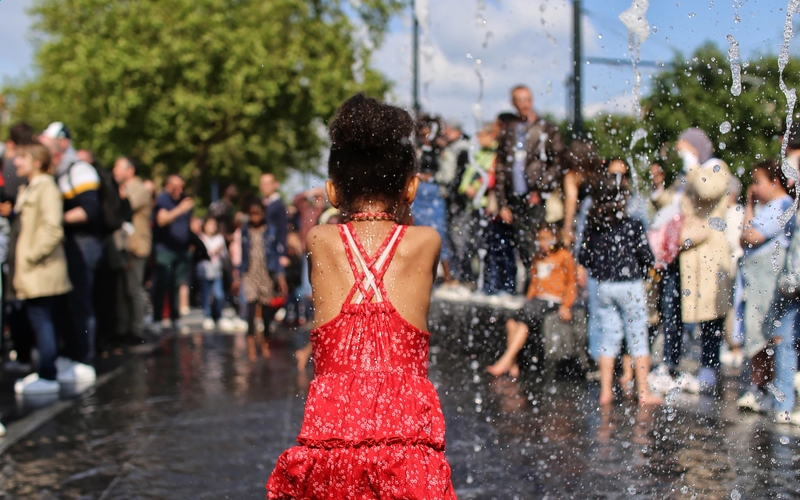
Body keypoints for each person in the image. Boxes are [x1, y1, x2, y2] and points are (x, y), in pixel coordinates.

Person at [267, 94, 456, 499]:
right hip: (406, 449)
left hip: (330, 443)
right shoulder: (426, 241)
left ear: (333, 191)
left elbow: (347, 227)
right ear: (411, 187)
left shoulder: (319, 239)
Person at [579, 167, 662, 406]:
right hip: (629, 285)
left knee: (609, 337)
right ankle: (643, 392)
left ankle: (606, 391)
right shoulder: (632, 225)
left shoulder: (594, 227)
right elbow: (647, 256)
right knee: (637, 337)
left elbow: (585, 258)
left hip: (604, 286)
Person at [39, 122, 102, 384]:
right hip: (71, 244)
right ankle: (72, 354)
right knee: (68, 302)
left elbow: (90, 210)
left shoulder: (79, 169)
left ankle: (84, 358)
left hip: (84, 243)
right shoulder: (60, 170)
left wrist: (55, 219)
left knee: (80, 302)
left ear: (62, 143)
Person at [11, 142, 72, 395]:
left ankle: (48, 374)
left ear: (37, 161)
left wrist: (30, 256)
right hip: (35, 269)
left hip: (40, 268)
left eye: (22, 157)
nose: (16, 162)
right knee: (41, 319)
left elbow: (52, 228)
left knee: (42, 319)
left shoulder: (45, 186)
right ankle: (47, 371)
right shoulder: (31, 187)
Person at [737, 158, 795, 412]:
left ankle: (763, 387)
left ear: (774, 181)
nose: (753, 188)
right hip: (758, 277)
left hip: (768, 279)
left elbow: (750, 236)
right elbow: (744, 238)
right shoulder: (769, 207)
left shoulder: (783, 205)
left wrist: (748, 208)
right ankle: (759, 386)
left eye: (757, 181)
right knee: (756, 330)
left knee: (765, 331)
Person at [675, 136, 733, 392]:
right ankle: (701, 366)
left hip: (711, 254)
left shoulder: (716, 167)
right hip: (692, 254)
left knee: (712, 314)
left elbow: (706, 190)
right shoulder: (693, 172)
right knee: (696, 313)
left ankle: (710, 368)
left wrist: (691, 161)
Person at [486, 224, 577, 378]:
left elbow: (571, 283)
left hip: (553, 299)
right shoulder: (538, 257)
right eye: (540, 239)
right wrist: (527, 302)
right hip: (537, 300)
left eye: (546, 239)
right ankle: (513, 364)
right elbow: (534, 283)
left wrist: (566, 306)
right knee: (511, 322)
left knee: (523, 323)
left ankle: (505, 360)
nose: (542, 243)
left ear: (555, 238)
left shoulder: (563, 255)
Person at [494, 85, 565, 280]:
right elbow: (500, 167)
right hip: (514, 197)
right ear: (513, 103)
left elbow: (558, 163)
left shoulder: (546, 128)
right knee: (521, 242)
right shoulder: (509, 130)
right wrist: (502, 203)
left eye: (527, 99)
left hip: (537, 197)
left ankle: (542, 285)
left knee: (540, 240)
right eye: (520, 100)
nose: (525, 104)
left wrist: (541, 189)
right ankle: (531, 284)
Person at [1, 123, 34, 373]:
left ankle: (24, 355)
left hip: (20, 248)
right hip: (17, 247)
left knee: (19, 303)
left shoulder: (15, 167)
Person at [238, 198, 287, 361]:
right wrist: (238, 276)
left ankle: (265, 343)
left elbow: (275, 254)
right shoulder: (245, 231)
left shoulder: (270, 230)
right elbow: (243, 256)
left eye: (258, 213)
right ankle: (251, 346)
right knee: (251, 311)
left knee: (266, 313)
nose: (255, 217)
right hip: (250, 273)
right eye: (252, 214)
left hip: (266, 274)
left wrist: (280, 277)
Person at [112, 156, 152, 342]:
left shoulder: (137, 188)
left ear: (130, 170)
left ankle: (136, 330)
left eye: (118, 167)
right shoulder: (128, 188)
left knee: (133, 289)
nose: (115, 171)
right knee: (122, 290)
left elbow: (126, 206)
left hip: (136, 246)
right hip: (125, 246)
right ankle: (123, 328)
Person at [151, 174, 194, 333]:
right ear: (168, 186)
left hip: (182, 250)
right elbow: (162, 220)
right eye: (177, 187)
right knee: (163, 284)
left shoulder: (184, 200)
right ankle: (157, 318)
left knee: (177, 285)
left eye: (182, 187)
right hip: (165, 249)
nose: (180, 190)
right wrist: (180, 209)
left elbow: (189, 222)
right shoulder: (163, 199)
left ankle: (175, 318)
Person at [197, 217, 227, 330]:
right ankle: (207, 315)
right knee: (206, 295)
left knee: (219, 294)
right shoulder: (201, 238)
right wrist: (214, 251)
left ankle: (218, 315)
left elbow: (224, 254)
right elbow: (202, 253)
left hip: (216, 271)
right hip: (204, 271)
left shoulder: (219, 238)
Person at [260, 173, 288, 257]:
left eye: (267, 183)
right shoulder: (260, 203)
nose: (265, 186)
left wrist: (283, 253)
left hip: (274, 248)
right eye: (263, 184)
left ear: (275, 184)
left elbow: (283, 228)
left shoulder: (279, 205)